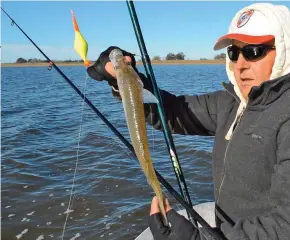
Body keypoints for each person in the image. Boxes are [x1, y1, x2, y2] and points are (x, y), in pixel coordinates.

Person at [87, 3, 290, 240]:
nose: (240, 64)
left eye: (254, 51)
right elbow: (173, 113)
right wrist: (128, 81)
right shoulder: (231, 103)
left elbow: (284, 226)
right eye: (234, 53)